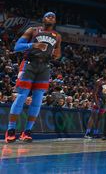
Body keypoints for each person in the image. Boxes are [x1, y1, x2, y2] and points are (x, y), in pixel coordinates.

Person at [5, 11, 62, 143]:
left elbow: (58, 54)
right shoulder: (33, 30)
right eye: (48, 15)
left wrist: (55, 54)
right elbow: (17, 47)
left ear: (55, 21)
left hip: (45, 67)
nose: (51, 17)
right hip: (29, 64)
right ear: (43, 18)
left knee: (37, 100)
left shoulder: (57, 36)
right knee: (21, 97)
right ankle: (11, 130)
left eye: (53, 16)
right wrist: (33, 45)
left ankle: (27, 131)